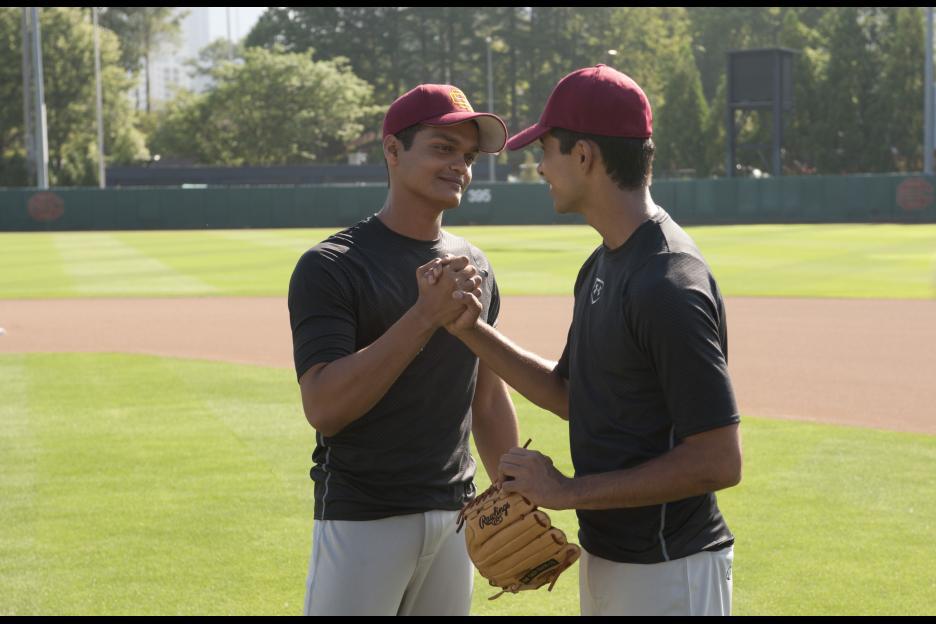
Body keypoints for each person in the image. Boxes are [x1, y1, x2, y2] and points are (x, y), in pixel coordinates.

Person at [442, 65, 742, 616]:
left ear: (584, 156)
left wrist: (567, 491)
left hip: (671, 570)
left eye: (547, 149)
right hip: (615, 560)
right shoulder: (603, 264)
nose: (539, 165)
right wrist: (472, 331)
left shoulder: (669, 282)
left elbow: (719, 461)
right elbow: (572, 395)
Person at [288, 84, 520, 616]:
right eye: (442, 148)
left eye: (467, 156)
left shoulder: (475, 265)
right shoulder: (332, 265)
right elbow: (324, 407)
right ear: (392, 150)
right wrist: (423, 316)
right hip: (364, 518)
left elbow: (486, 400)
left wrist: (509, 493)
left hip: (456, 516)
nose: (460, 166)